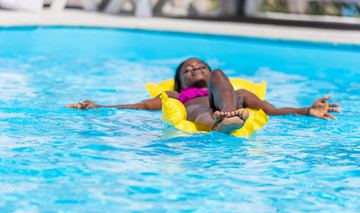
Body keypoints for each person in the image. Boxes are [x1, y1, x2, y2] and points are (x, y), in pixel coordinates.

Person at [66, 58, 342, 134]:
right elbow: (141, 106)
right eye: (188, 70)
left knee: (222, 77)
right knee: (196, 111)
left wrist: (308, 110)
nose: (195, 69)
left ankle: (229, 116)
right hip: (204, 114)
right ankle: (221, 124)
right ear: (180, 79)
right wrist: (98, 106)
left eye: (201, 67)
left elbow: (272, 110)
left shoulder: (239, 91)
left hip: (230, 105)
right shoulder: (176, 93)